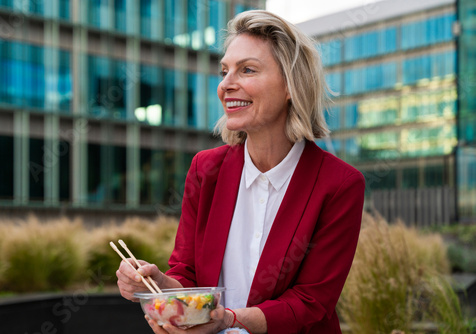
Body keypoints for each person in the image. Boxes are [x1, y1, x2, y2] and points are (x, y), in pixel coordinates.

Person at [116, 10, 365, 334]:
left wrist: (229, 319)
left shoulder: (339, 185)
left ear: (291, 86)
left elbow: (311, 301)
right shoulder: (206, 169)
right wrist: (159, 283)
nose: (225, 85)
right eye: (224, 71)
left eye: (247, 70)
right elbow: (188, 274)